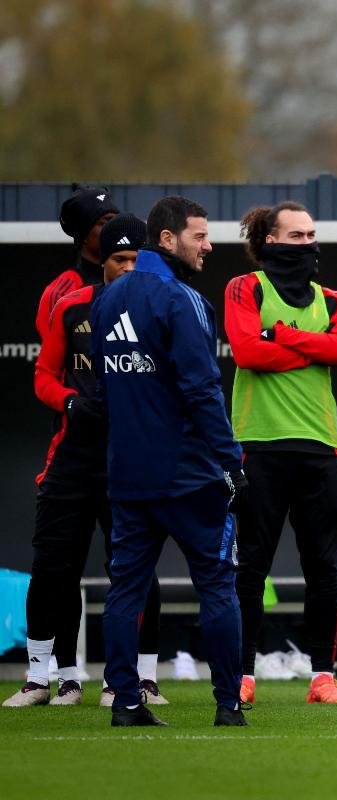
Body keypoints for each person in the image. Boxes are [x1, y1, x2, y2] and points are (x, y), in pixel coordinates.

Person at [91, 195, 246, 726]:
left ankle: (126, 704)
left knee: (125, 591)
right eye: (200, 235)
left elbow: (107, 392)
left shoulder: (107, 299)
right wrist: (232, 462)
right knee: (218, 587)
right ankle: (228, 706)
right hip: (191, 476)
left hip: (129, 476)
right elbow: (202, 389)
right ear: (166, 238)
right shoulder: (183, 299)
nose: (209, 245)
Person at [5, 214, 168, 709]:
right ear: (104, 262)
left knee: (135, 570)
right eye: (119, 259)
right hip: (72, 459)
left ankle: (137, 679)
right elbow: (42, 375)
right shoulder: (72, 305)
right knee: (53, 567)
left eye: (137, 260)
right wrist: (70, 402)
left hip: (131, 458)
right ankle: (44, 679)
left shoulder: (162, 309)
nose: (127, 268)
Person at [225, 201, 337, 705]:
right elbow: (246, 352)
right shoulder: (246, 287)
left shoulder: (335, 298)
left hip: (321, 447)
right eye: (296, 236)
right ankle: (242, 675)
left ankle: (322, 678)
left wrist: (280, 334)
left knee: (322, 570)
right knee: (251, 567)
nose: (308, 244)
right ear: (269, 242)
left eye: (311, 235)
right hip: (258, 445)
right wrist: (311, 344)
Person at [36, 185, 119, 341]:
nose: (115, 229)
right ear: (84, 235)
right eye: (105, 223)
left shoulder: (130, 281)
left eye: (116, 222)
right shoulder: (59, 293)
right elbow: (52, 360)